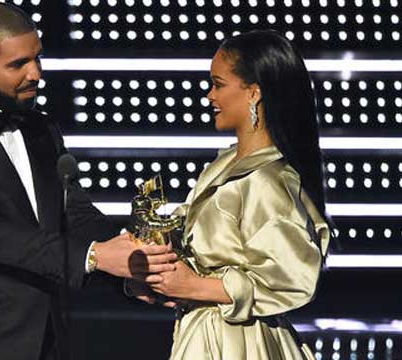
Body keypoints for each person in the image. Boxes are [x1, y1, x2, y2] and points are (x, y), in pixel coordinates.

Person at [0, 3, 176, 360]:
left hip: (48, 342)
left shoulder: (41, 130)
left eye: (37, 58)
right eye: (18, 65)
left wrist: (132, 265)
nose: (35, 74)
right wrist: (96, 256)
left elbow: (75, 216)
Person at [130, 30, 331, 359]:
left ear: (253, 93)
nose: (210, 96)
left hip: (240, 342)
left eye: (218, 84)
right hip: (206, 332)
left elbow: (292, 279)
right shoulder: (225, 164)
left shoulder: (268, 180)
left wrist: (196, 286)